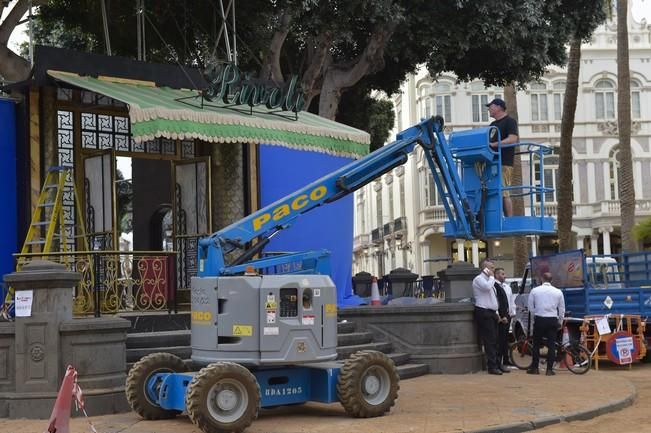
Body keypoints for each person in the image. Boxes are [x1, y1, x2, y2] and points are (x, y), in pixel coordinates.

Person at [472, 259, 508, 375]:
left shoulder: (490, 281)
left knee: (496, 340)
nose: (493, 270)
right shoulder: (479, 279)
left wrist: (497, 314)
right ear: (485, 268)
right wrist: (492, 277)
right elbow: (486, 288)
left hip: (492, 312)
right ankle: (492, 366)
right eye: (491, 268)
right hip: (483, 311)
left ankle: (498, 363)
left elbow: (492, 298)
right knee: (490, 340)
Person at [526, 272, 565, 376]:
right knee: (552, 345)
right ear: (551, 280)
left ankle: (535, 368)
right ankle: (549, 370)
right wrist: (560, 321)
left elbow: (530, 308)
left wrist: (535, 319)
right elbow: (561, 309)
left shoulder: (535, 291)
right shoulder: (558, 292)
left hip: (540, 318)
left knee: (536, 344)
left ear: (541, 279)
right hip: (552, 319)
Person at [486, 98, 519, 217]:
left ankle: (509, 218)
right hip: (491, 162)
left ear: (499, 107)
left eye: (491, 106)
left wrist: (495, 144)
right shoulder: (492, 125)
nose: (489, 109)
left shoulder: (510, 121)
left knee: (504, 191)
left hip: (504, 162)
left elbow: (512, 139)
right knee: (493, 190)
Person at [494, 267, 516, 368]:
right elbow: (496, 302)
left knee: (505, 339)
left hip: (508, 315)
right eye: (502, 274)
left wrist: (512, 312)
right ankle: (499, 361)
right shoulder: (494, 286)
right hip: (500, 316)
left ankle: (506, 359)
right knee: (500, 339)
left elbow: (511, 301)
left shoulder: (507, 287)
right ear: (497, 275)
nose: (505, 276)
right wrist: (499, 315)